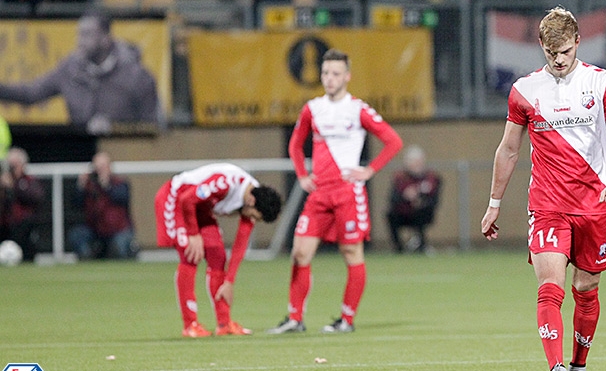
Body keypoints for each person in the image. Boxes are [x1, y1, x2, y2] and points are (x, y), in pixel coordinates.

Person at [480, 6, 606, 371]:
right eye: (552, 53)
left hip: (593, 204)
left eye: (565, 51)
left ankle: (579, 368)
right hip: (547, 204)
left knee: (586, 288)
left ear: (578, 42)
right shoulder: (525, 90)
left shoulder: (602, 84)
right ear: (541, 47)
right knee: (550, 284)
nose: (560, 59)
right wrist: (494, 203)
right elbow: (509, 150)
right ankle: (556, 368)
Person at [267, 48, 403, 335]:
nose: (329, 79)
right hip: (319, 194)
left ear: (347, 76)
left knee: (351, 252)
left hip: (347, 193)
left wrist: (370, 169)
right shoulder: (312, 108)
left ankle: (346, 320)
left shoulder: (358, 109)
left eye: (335, 73)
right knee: (299, 253)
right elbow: (295, 144)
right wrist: (302, 176)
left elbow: (393, 141)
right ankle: (295, 318)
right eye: (326, 73)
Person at [154, 163, 282, 337]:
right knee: (191, 254)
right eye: (253, 216)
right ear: (252, 202)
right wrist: (193, 234)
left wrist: (229, 281)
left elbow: (240, 245)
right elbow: (187, 199)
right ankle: (190, 325)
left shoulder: (252, 197)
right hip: (176, 199)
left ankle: (224, 324)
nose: (250, 219)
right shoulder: (226, 183)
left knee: (218, 256)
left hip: (199, 208)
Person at [0, 9, 159, 135]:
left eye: (87, 34)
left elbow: (153, 127)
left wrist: (116, 129)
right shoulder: (70, 69)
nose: (79, 41)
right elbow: (31, 93)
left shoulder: (136, 75)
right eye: (79, 34)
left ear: (105, 38)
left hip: (126, 156)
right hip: (80, 152)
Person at [68, 151, 137, 260]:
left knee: (119, 247)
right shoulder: (89, 185)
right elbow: (76, 204)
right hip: (95, 229)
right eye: (97, 167)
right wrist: (80, 186)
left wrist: (106, 186)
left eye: (102, 167)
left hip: (118, 230)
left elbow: (121, 198)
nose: (99, 171)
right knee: (77, 235)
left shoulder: (119, 183)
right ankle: (87, 263)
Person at [386, 145, 442, 253]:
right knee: (390, 215)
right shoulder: (400, 178)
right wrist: (405, 196)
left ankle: (421, 245)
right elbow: (393, 198)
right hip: (403, 212)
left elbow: (434, 199)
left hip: (422, 213)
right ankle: (399, 249)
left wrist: (420, 199)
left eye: (418, 161)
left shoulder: (431, 177)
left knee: (421, 213)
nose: (416, 164)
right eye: (412, 161)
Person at [0, 147, 45, 262]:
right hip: (4, 225)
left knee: (25, 226)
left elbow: (36, 198)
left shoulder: (29, 181)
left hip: (21, 227)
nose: (11, 170)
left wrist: (13, 187)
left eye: (13, 166)